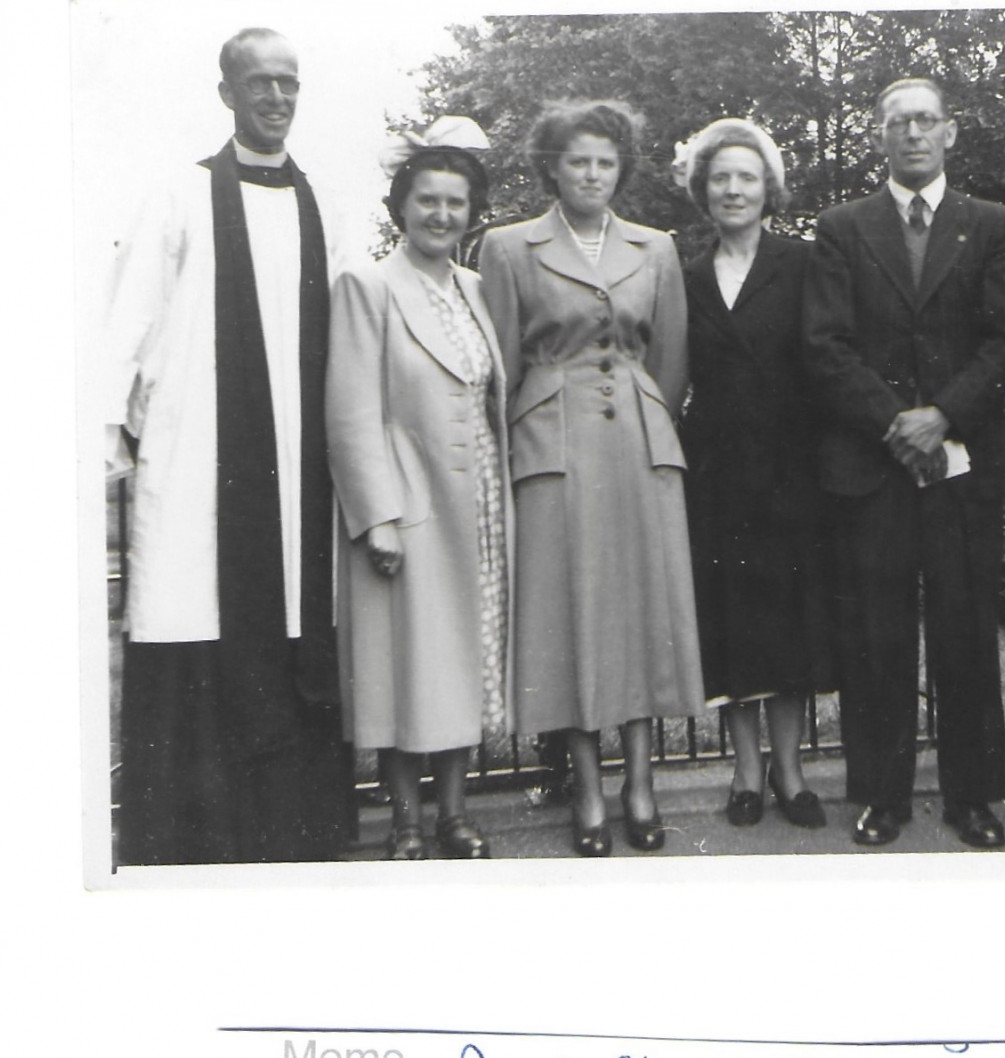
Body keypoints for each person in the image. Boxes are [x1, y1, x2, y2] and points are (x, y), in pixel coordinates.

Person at [103, 28, 349, 864]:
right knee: (195, 597)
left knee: (290, 607)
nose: (275, 98)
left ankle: (298, 827)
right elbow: (128, 319)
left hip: (298, 472)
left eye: (288, 83)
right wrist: (111, 431)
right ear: (227, 94)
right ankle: (193, 832)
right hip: (198, 453)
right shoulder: (177, 195)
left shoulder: (326, 204)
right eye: (258, 84)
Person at [803, 77, 1005, 848]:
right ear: (878, 135)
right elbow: (824, 343)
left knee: (966, 630)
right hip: (874, 464)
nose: (913, 134)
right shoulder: (840, 227)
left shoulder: (996, 225)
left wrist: (943, 416)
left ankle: (973, 798)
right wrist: (895, 423)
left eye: (926, 121)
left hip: (963, 460)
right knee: (879, 637)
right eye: (897, 122)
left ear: (951, 133)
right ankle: (880, 796)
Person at [479, 100, 701, 857]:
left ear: (622, 168)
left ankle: (641, 787)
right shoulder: (509, 248)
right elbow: (501, 366)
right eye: (578, 160)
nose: (592, 174)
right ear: (552, 166)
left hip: (638, 445)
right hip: (552, 447)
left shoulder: (656, 248)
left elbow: (669, 360)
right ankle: (589, 792)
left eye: (606, 161)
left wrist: (645, 420)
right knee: (566, 616)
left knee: (639, 611)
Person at [325, 118, 511, 861]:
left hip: (478, 505)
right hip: (408, 507)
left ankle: (455, 816)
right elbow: (349, 409)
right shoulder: (367, 284)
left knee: (458, 663)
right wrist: (378, 518)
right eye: (427, 200)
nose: (441, 215)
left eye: (456, 203)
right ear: (401, 206)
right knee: (405, 668)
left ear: (472, 213)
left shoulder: (473, 287)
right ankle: (405, 822)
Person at [678, 119, 833, 830]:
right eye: (720, 178)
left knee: (792, 627)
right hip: (717, 476)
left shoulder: (803, 263)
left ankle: (792, 774)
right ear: (703, 191)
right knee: (735, 628)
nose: (733, 189)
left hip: (793, 472)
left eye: (745, 177)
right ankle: (745, 775)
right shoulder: (684, 276)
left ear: (766, 188)